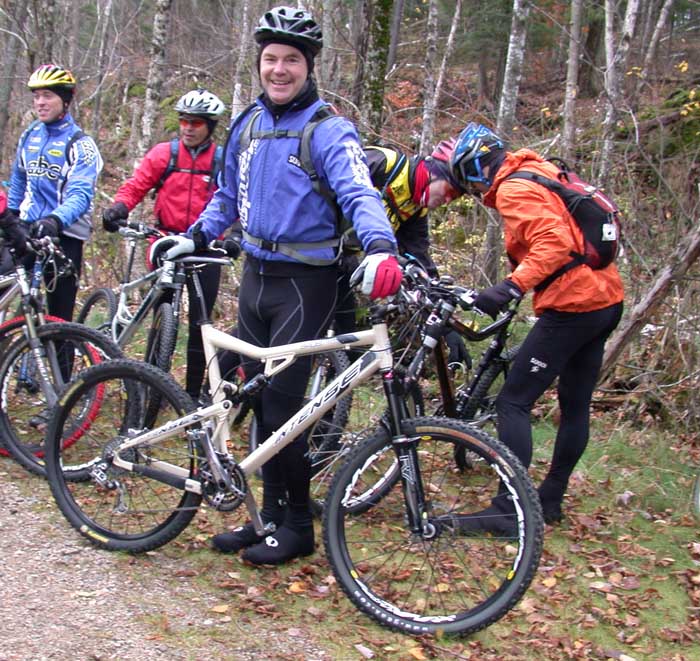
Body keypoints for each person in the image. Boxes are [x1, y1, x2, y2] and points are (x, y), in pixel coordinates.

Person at [149, 6, 402, 565]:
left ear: (309, 67)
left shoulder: (328, 130)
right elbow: (226, 196)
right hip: (256, 278)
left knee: (285, 410)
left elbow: (360, 193)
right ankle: (267, 519)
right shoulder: (248, 124)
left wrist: (381, 246)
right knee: (258, 401)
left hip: (306, 284)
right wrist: (197, 235)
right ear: (259, 63)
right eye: (270, 59)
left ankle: (298, 526)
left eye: (291, 60)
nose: (279, 69)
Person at [449, 122, 624, 529]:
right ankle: (550, 500)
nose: (474, 192)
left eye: (470, 183)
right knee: (575, 404)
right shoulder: (540, 169)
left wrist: (510, 287)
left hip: (573, 305)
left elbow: (553, 243)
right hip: (606, 298)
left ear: (476, 168)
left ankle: (508, 511)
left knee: (513, 401)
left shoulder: (512, 188)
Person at [101, 88, 227, 400]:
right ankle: (151, 387)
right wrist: (119, 207)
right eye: (183, 121)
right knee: (162, 317)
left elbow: (232, 202)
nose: (188, 128)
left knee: (200, 323)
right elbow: (136, 185)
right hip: (166, 241)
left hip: (204, 247)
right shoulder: (164, 154)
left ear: (210, 126)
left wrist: (233, 236)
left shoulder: (222, 161)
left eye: (196, 123)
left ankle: (192, 394)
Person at [335, 139, 470, 367]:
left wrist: (447, 328)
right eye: (450, 190)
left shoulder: (415, 210)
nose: (448, 200)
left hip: (342, 260)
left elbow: (422, 266)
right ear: (433, 173)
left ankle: (334, 384)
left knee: (347, 346)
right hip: (303, 253)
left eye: (455, 198)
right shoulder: (384, 164)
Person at [3, 64, 103, 321]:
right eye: (36, 96)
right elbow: (19, 181)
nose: (40, 102)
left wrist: (54, 220)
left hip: (63, 236)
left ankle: (60, 348)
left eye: (47, 95)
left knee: (59, 319)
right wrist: (10, 217)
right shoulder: (29, 135)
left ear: (65, 100)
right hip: (26, 228)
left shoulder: (81, 144)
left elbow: (80, 195)